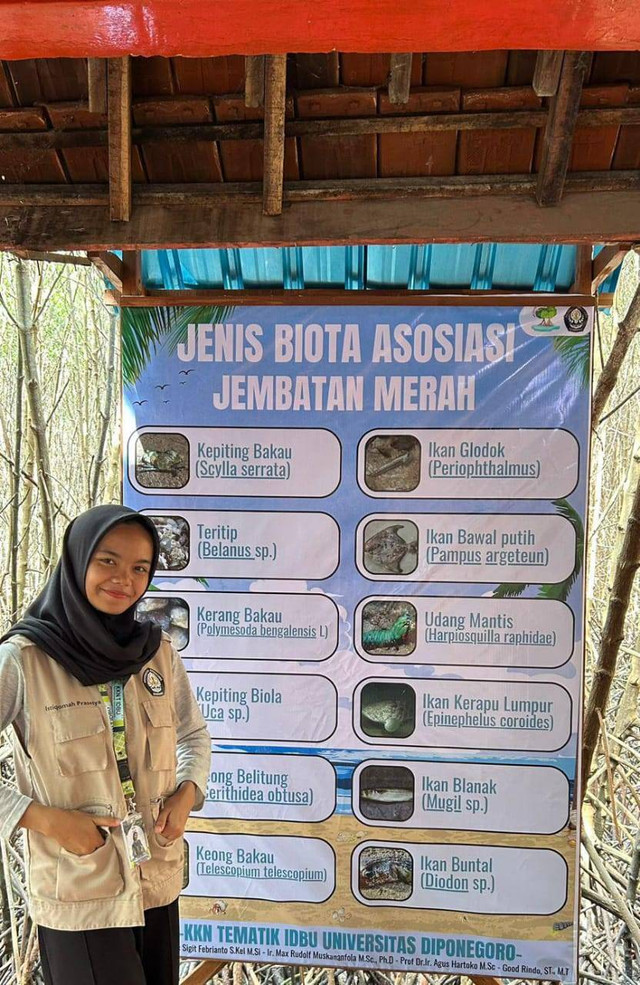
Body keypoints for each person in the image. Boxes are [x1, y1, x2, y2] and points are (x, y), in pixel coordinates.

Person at [0, 505, 211, 985]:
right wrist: (46, 820)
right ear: (76, 564)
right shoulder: (25, 659)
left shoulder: (156, 652)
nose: (125, 579)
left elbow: (193, 734)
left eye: (140, 568)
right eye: (108, 561)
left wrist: (187, 791)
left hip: (155, 880)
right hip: (80, 888)